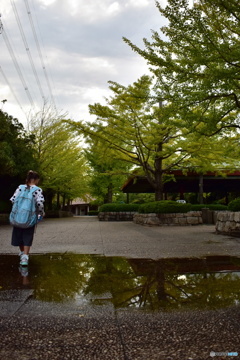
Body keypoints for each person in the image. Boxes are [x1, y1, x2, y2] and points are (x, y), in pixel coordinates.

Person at [10, 170, 45, 267]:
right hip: (29, 218)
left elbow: (13, 199)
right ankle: (25, 257)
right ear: (35, 179)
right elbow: (39, 203)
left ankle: (22, 253)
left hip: (17, 217)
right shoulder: (37, 190)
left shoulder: (20, 187)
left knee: (19, 236)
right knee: (27, 236)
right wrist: (41, 213)